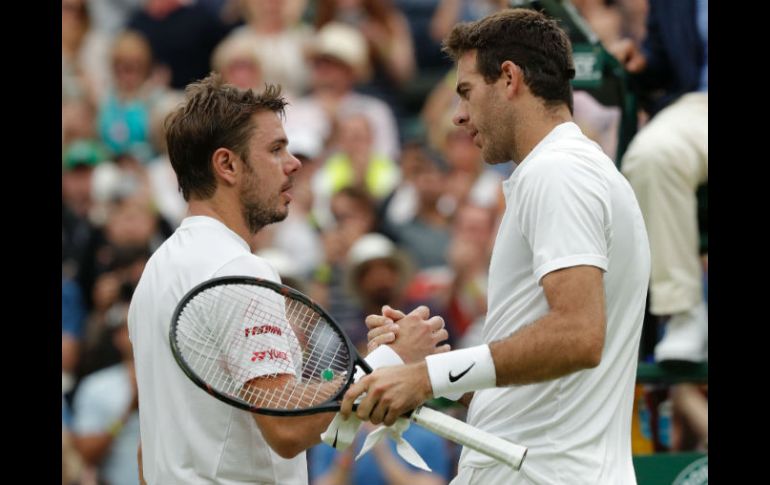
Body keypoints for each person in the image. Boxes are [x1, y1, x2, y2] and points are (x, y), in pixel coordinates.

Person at [341, 9, 651, 485]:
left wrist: (429, 376)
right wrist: (421, 370)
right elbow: (537, 389)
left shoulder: (559, 172)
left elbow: (578, 335)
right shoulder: (562, 171)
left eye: (466, 92)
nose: (459, 115)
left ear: (509, 79)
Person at [127, 72, 446, 483]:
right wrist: (391, 363)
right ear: (227, 164)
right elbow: (287, 425)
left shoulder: (156, 272)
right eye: (276, 149)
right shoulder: (240, 270)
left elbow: (147, 450)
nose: (293, 163)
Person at [610, 0, 709, 363]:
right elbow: (663, 62)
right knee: (651, 155)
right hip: (697, 107)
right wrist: (642, 60)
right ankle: (683, 312)